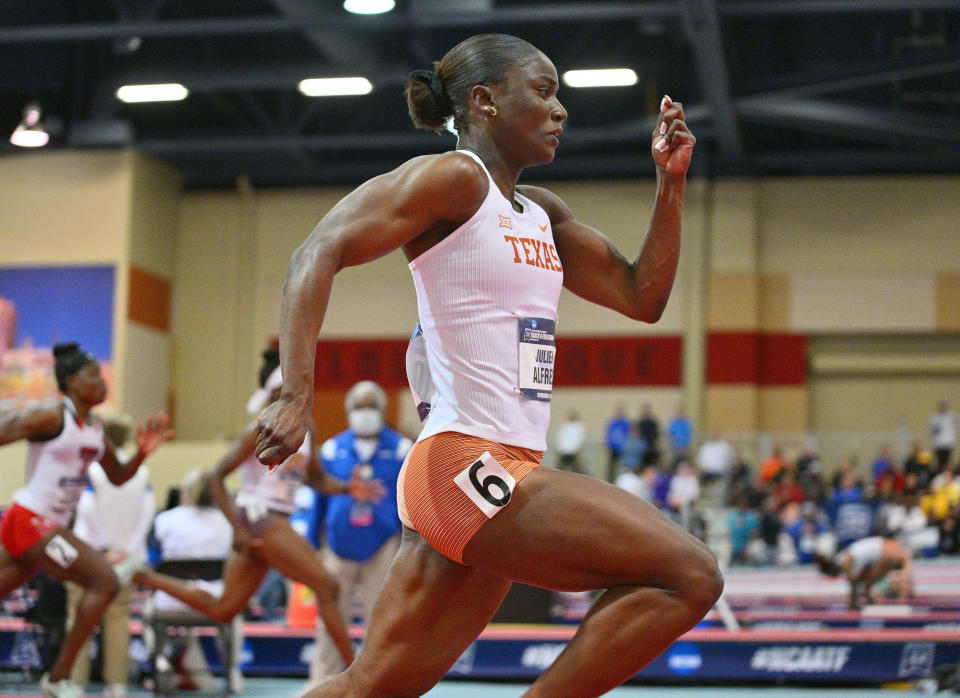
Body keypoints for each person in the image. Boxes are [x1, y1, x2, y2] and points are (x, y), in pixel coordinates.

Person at [255, 33, 722, 697]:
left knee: (370, 688)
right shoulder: (452, 181)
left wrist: (669, 185)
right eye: (544, 90)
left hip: (498, 474)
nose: (560, 110)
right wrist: (297, 395)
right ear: (484, 101)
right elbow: (315, 253)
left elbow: (642, 296)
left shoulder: (542, 215)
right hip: (464, 466)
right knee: (690, 574)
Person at [134, 349, 381, 673]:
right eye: (284, 392)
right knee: (328, 586)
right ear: (273, 393)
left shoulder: (308, 426)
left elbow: (316, 478)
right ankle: (357, 673)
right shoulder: (261, 428)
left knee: (223, 610)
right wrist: (236, 528)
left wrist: (349, 488)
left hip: (270, 522)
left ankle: (143, 576)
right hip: (259, 517)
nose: (293, 396)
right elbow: (214, 476)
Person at [0, 342, 171, 698]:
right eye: (92, 374)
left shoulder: (94, 429)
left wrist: (141, 453)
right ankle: (58, 678)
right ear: (71, 381)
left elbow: (119, 475)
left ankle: (58, 677)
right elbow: (7, 427)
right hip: (29, 522)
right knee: (105, 581)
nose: (101, 380)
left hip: (47, 530)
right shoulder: (51, 415)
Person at [308, 380, 412, 687]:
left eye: (369, 406)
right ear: (348, 411)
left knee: (379, 619)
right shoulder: (331, 449)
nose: (363, 413)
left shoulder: (402, 449)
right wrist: (313, 542)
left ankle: (375, 683)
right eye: (358, 407)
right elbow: (318, 496)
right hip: (338, 544)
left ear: (381, 410)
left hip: (383, 544)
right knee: (330, 617)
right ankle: (323, 680)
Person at [67, 414, 155, 697]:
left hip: (88, 554)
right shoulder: (141, 472)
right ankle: (117, 686)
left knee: (79, 618)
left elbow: (87, 508)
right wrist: (126, 549)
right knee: (118, 620)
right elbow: (147, 513)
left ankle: (74, 685)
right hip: (125, 559)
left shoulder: (92, 467)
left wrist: (104, 546)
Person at [816, 536, 914, 609]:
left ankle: (896, 602)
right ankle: (876, 601)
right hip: (889, 546)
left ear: (832, 571)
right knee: (868, 584)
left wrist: (852, 605)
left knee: (867, 585)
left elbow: (853, 584)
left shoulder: (845, 562)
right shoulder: (847, 556)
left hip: (885, 550)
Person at [603, 404, 631, 483]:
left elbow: (628, 435)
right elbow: (608, 434)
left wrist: (625, 446)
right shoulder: (612, 422)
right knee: (611, 468)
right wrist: (609, 444)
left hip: (622, 449)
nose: (619, 413)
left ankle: (621, 483)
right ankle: (609, 482)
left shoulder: (626, 423)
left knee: (622, 467)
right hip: (612, 448)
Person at [929, 401, 957, 471]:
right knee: (940, 463)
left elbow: (955, 427)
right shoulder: (934, 417)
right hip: (938, 444)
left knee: (947, 463)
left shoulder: (951, 416)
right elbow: (931, 431)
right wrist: (936, 429)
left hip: (948, 444)